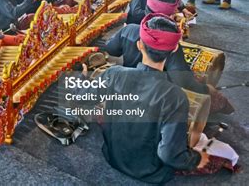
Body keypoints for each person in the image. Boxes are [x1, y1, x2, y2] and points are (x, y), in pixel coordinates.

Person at [81, 13, 209, 184]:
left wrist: (82, 78)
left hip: (112, 157)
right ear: (174, 49)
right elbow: (169, 155)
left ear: (139, 45)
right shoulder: (175, 96)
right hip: (152, 173)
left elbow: (82, 97)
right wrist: (197, 158)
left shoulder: (113, 74)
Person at [105, 0, 234, 114]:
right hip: (158, 98)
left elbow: (111, 49)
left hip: (129, 88)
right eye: (173, 14)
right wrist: (207, 90)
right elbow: (184, 81)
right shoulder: (171, 47)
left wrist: (122, 32)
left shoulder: (129, 30)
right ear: (166, 18)